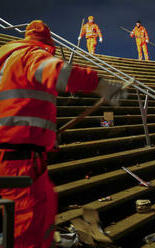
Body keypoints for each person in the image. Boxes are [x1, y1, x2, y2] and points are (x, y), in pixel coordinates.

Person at [0, 20, 127, 247]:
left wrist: (45, 135)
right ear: (46, 44)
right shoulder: (31, 55)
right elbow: (59, 72)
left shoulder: (7, 60)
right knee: (28, 225)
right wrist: (101, 85)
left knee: (35, 211)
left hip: (17, 148)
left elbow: (17, 105)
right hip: (17, 157)